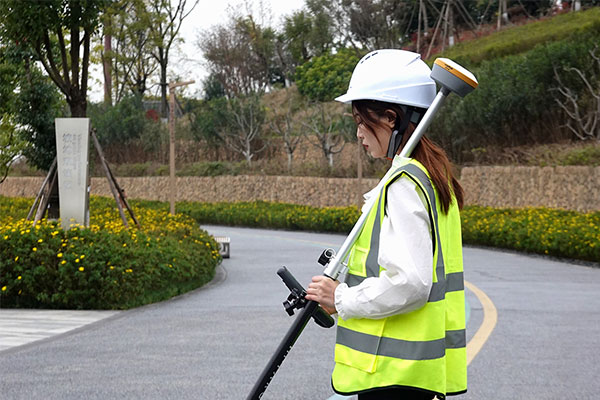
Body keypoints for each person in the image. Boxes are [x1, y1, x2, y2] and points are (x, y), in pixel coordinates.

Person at [305, 49, 467, 399]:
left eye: (362, 122)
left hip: (393, 377)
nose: (359, 134)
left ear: (391, 118)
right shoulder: (429, 177)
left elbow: (411, 282)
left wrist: (342, 299)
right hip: (411, 375)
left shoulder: (405, 187)